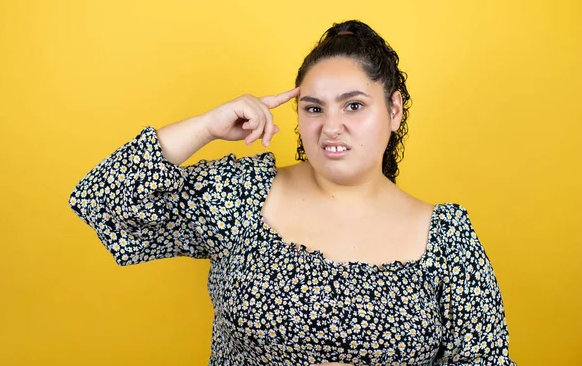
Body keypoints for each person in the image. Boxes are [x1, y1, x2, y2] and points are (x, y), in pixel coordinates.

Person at [69, 20, 516, 365]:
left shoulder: (447, 237)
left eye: (354, 105)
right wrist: (206, 126)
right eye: (314, 108)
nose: (331, 127)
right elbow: (102, 200)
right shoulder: (242, 195)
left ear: (394, 109)